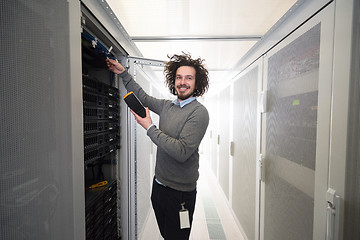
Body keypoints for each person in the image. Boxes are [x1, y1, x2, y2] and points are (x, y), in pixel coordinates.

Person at [106, 52, 209, 240]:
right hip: (159, 185)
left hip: (180, 194)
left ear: (197, 82)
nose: (182, 82)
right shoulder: (167, 106)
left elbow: (181, 151)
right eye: (179, 77)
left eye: (189, 78)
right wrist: (123, 73)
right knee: (166, 234)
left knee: (177, 237)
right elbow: (143, 98)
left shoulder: (199, 113)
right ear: (173, 80)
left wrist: (149, 127)